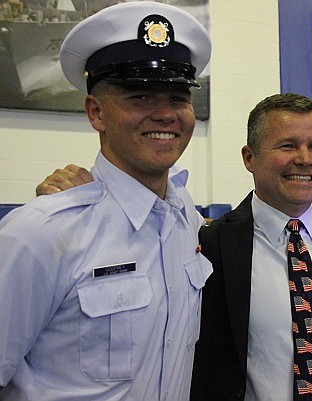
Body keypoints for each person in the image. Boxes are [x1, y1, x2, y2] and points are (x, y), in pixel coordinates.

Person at [32, 93, 312, 401]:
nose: (305, 158)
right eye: (287, 145)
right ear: (249, 158)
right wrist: (77, 197)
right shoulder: (206, 243)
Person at [0, 3, 213, 400]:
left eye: (177, 97)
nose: (166, 114)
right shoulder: (40, 233)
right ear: (95, 112)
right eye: (140, 97)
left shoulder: (186, 217)